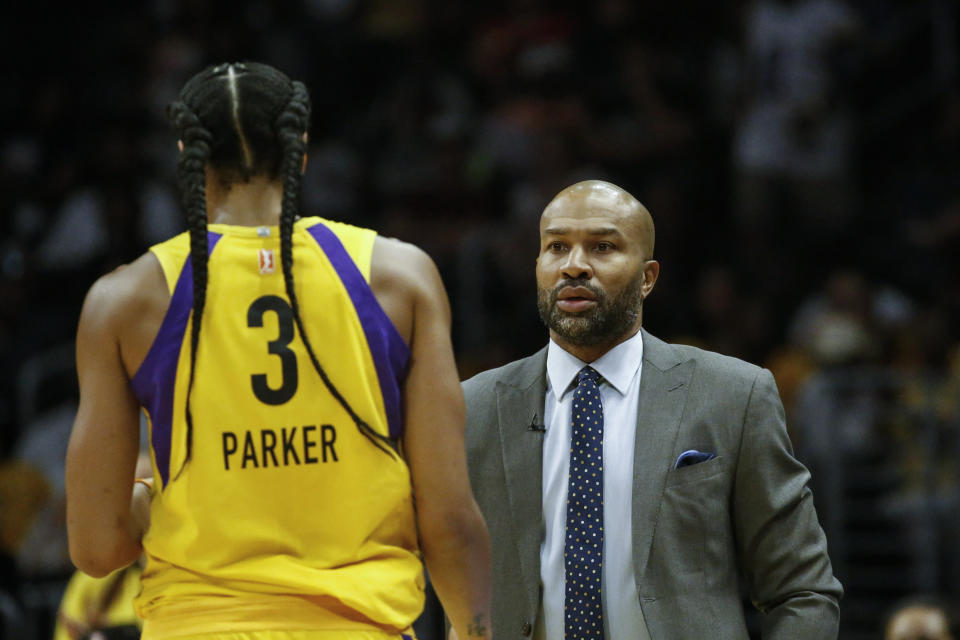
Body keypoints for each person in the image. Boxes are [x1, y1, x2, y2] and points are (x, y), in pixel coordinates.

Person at [65, 61, 491, 640]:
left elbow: (96, 546)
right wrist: (476, 631)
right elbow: (449, 520)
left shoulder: (125, 299)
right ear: (301, 150)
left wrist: (150, 497)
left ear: (187, 154)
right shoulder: (398, 276)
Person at [460, 180, 841, 639]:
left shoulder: (733, 395)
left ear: (647, 278)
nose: (574, 266)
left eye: (602, 247)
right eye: (556, 247)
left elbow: (801, 589)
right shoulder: (471, 408)